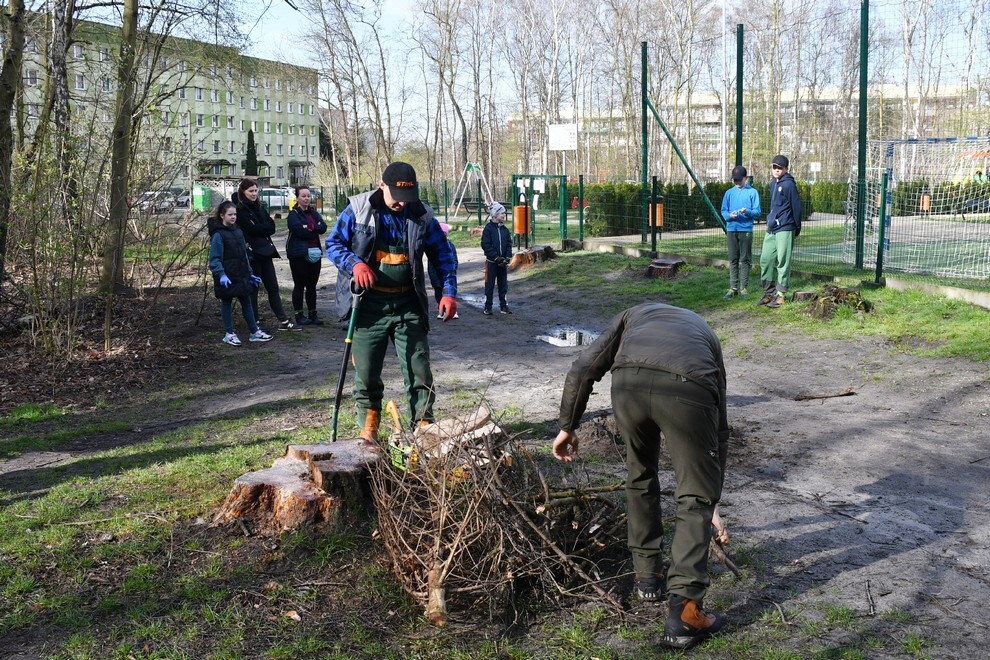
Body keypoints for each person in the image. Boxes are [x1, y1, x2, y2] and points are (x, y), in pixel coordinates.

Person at [552, 302, 729, 650]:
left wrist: (567, 426)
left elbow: (584, 367)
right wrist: (711, 494)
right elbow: (719, 426)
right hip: (688, 386)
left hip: (628, 384)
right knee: (693, 497)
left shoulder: (632, 316)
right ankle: (685, 614)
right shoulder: (703, 329)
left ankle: (647, 576)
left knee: (640, 475)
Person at [326, 161, 458, 443]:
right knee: (366, 371)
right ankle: (370, 428)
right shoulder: (358, 210)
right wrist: (355, 264)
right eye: (396, 196)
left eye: (406, 198)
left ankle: (424, 426)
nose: (401, 203)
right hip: (367, 306)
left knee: (419, 367)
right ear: (381, 185)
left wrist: (447, 292)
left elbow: (442, 256)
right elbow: (333, 243)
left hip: (408, 303)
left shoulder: (421, 215)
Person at [233, 178, 301, 331]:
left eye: (256, 190)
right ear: (243, 192)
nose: (254, 194)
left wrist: (262, 227)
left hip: (266, 253)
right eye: (251, 191)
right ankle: (255, 322)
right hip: (253, 255)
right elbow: (252, 230)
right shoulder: (240, 210)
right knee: (253, 290)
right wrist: (263, 227)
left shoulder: (259, 208)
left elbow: (271, 227)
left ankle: (283, 320)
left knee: (273, 287)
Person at [208, 201, 273, 345]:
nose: (233, 217)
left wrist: (250, 273)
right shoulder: (218, 235)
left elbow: (244, 255)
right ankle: (229, 333)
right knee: (226, 302)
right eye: (230, 214)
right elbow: (214, 259)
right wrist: (221, 274)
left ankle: (254, 331)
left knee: (246, 301)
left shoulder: (238, 232)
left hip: (241, 274)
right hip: (227, 276)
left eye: (235, 214)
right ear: (222, 215)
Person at [758, 155, 802, 309]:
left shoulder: (789, 185)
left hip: (786, 227)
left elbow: (796, 207)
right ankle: (768, 293)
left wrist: (796, 227)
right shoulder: (772, 184)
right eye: (774, 167)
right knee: (766, 259)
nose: (776, 170)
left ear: (786, 169)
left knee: (782, 260)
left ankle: (781, 295)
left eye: (780, 168)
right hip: (772, 228)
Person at [285, 185, 328, 326]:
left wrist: (310, 227)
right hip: (298, 254)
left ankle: (313, 314)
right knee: (299, 285)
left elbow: (323, 227)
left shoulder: (314, 213)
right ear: (297, 198)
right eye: (303, 196)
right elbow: (298, 231)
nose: (306, 198)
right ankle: (299, 315)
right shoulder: (293, 215)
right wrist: (313, 229)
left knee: (312, 285)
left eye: (308, 196)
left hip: (315, 253)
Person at [720, 165, 760, 299]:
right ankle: (733, 288)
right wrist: (729, 216)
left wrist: (747, 212)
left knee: (745, 259)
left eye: (739, 180)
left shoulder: (752, 192)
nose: (737, 182)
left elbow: (757, 212)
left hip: (746, 229)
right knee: (733, 259)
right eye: (734, 180)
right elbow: (723, 211)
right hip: (732, 229)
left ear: (745, 178)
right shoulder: (729, 193)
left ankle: (744, 288)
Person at [481, 201, 513, 315]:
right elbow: (485, 245)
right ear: (495, 214)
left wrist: (507, 257)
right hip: (491, 262)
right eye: (502, 213)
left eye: (504, 213)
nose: (504, 215)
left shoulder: (505, 229)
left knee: (503, 284)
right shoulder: (488, 229)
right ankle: (488, 306)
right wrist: (495, 257)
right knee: (489, 284)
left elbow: (509, 244)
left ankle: (503, 306)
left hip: (502, 263)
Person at [428, 223, 459, 319]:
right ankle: (441, 309)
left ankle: (452, 310)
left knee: (450, 291)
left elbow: (454, 259)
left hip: (448, 273)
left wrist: (453, 269)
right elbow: (431, 264)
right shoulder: (432, 247)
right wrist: (432, 275)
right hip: (436, 274)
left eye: (445, 234)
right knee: (438, 292)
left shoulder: (451, 245)